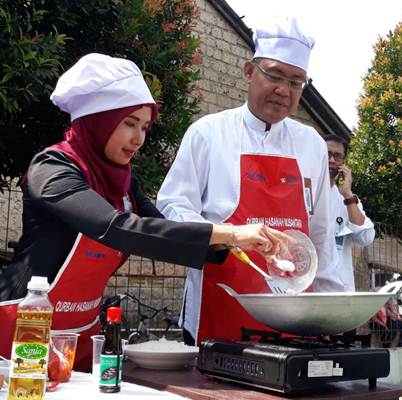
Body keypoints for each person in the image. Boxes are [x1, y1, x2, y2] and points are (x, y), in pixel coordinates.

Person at [0, 53, 286, 370]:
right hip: (22, 326)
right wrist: (230, 231)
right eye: (129, 123)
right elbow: (118, 227)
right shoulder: (52, 167)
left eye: (145, 127)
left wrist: (234, 245)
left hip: (81, 334)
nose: (139, 139)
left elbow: (162, 232)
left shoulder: (124, 182)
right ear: (98, 120)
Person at [156, 16, 338, 344]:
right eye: (275, 76)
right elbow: (172, 207)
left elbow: (322, 232)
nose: (284, 91)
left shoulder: (311, 143)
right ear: (248, 72)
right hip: (220, 303)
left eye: (296, 82)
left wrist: (328, 311)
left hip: (294, 315)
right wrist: (228, 235)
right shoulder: (208, 133)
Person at [323, 134, 375, 292]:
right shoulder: (301, 193)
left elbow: (365, 238)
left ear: (343, 163)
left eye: (337, 156)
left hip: (340, 292)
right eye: (327, 154)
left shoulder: (348, 200)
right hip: (307, 289)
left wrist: (347, 195)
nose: (332, 160)